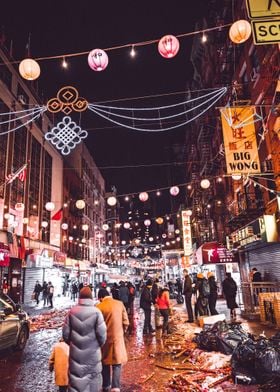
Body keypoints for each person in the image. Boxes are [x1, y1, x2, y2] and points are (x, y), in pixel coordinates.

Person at [63, 286, 107, 392]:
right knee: (93, 384)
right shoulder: (97, 312)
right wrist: (95, 346)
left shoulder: (71, 312)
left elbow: (65, 335)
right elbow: (102, 336)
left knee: (76, 383)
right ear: (91, 298)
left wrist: (74, 344)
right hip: (93, 357)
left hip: (76, 357)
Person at [97, 288, 129, 392]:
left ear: (101, 298)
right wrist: (121, 332)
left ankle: (106, 385)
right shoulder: (119, 304)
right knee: (117, 363)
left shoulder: (98, 306)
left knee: (104, 362)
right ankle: (115, 387)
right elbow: (126, 322)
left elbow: (96, 325)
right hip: (117, 338)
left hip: (104, 340)